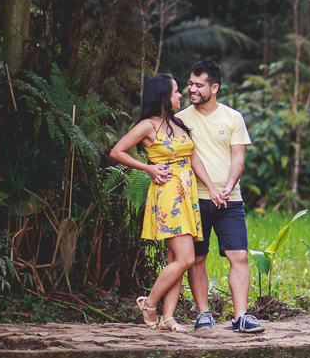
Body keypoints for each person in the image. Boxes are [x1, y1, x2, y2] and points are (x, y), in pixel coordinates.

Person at [110, 74, 214, 332]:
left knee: (175, 259)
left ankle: (168, 317)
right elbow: (116, 151)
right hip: (168, 194)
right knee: (186, 258)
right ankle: (149, 304)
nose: (180, 95)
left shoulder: (178, 124)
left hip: (187, 194)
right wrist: (148, 168)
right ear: (163, 97)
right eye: (176, 91)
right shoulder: (147, 126)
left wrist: (211, 187)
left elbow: (192, 158)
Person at [177, 59, 264, 333]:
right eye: (190, 84)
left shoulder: (232, 117)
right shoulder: (181, 119)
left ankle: (241, 317)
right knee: (197, 258)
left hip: (230, 200)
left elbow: (238, 157)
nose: (192, 89)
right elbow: (188, 157)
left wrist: (228, 186)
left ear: (214, 88)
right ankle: (203, 314)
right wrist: (211, 189)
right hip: (194, 199)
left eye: (198, 85)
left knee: (239, 256)